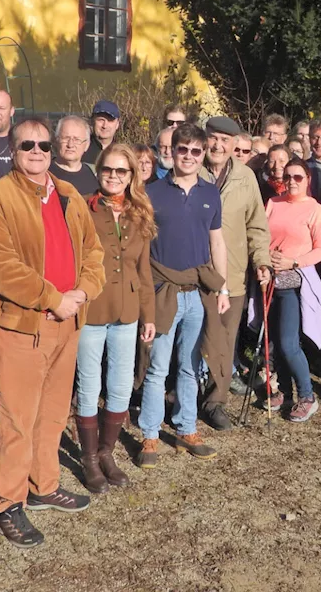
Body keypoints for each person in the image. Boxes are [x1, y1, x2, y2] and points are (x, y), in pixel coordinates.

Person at [0, 117, 105, 547]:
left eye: (44, 145)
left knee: (51, 414)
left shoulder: (68, 195)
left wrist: (82, 292)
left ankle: (44, 484)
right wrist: (52, 297)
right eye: (27, 144)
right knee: (16, 420)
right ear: (13, 149)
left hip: (67, 323)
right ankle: (10, 503)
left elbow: (94, 254)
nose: (37, 151)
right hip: (19, 327)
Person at [139, 123, 228, 467]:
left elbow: (216, 241)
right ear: (171, 151)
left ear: (203, 154)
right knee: (158, 366)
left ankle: (186, 427)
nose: (189, 157)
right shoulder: (152, 193)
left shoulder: (210, 193)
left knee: (191, 365)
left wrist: (223, 287)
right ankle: (149, 434)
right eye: (182, 150)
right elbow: (142, 245)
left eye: (196, 151)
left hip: (198, 292)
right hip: (163, 291)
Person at [77, 144, 155, 492]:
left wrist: (148, 314)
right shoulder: (82, 206)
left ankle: (107, 452)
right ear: (98, 172)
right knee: (89, 385)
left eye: (121, 171)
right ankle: (89, 458)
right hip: (92, 309)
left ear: (131, 176)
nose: (113, 176)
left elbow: (144, 268)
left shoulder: (140, 212)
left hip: (128, 310)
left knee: (121, 385)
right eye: (108, 169)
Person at [198, 116, 272, 430]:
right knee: (189, 339)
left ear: (233, 145)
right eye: (212, 138)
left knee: (225, 342)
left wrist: (262, 261)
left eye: (224, 141)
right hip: (191, 273)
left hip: (233, 274)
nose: (217, 145)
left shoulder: (246, 178)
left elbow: (256, 224)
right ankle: (181, 395)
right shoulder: (190, 169)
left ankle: (215, 402)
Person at [263, 158, 321, 420]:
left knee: (288, 342)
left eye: (298, 177)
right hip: (268, 280)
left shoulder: (315, 210)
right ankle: (282, 391)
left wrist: (294, 261)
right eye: (288, 177)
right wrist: (263, 260)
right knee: (273, 341)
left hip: (295, 283)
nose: (292, 182)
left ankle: (307, 396)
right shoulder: (273, 203)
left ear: (307, 180)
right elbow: (260, 235)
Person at [82, 99, 120, 165]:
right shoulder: (80, 150)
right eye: (101, 120)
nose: (105, 126)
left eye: (110, 120)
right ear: (92, 121)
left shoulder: (122, 153)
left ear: (117, 124)